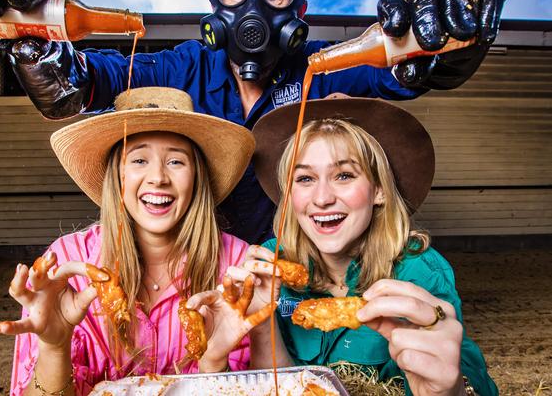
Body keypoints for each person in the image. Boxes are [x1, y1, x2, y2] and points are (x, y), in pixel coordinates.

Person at [0, 0, 512, 245]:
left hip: (295, 271)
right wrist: (41, 51)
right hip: (198, 266)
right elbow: (96, 81)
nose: (254, 10)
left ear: (301, 7)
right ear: (214, 0)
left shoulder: (324, 66)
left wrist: (446, 37)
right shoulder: (182, 66)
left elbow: (404, 69)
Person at [194, 96, 497, 395]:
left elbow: (463, 376)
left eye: (343, 175)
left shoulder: (421, 272)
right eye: (305, 178)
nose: (322, 197)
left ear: (378, 190)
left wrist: (451, 389)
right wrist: (262, 324)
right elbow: (281, 387)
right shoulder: (270, 264)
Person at [0, 86, 270, 396]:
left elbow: (264, 385)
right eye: (138, 160)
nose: (158, 178)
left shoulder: (237, 267)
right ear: (115, 175)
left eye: (176, 162)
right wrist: (54, 347)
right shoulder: (66, 265)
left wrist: (214, 365)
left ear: (198, 177)